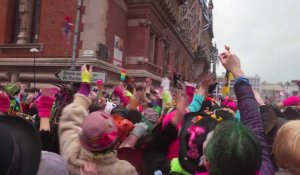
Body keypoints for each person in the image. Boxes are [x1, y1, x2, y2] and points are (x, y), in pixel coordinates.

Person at [201, 46, 274, 175]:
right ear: (257, 160)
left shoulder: (265, 169)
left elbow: (255, 129)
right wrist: (237, 71)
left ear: (207, 164)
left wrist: (236, 72)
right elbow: (255, 126)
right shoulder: (265, 171)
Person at [59, 65, 138, 175]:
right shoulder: (124, 171)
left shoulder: (71, 152)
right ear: (114, 140)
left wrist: (85, 86)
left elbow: (70, 118)